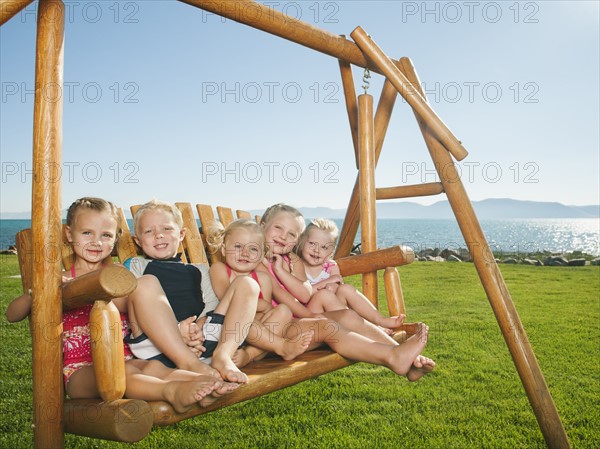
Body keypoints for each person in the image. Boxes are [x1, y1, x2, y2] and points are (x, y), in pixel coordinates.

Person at [5, 197, 238, 412]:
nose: (97, 242)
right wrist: (37, 293)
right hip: (80, 371)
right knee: (119, 374)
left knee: (147, 291)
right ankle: (172, 391)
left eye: (106, 235)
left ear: (115, 238)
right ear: (69, 234)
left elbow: (146, 307)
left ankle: (205, 383)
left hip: (129, 359)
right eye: (87, 233)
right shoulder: (61, 279)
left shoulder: (120, 275)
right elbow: (12, 315)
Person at [257, 203, 436, 381]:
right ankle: (394, 357)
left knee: (348, 316)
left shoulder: (292, 259)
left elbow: (304, 294)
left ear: (297, 240)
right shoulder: (254, 261)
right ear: (262, 226)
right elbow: (282, 300)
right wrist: (310, 313)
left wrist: (281, 270)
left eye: (291, 234)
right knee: (328, 326)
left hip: (299, 322)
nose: (283, 236)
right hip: (274, 334)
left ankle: (408, 360)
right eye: (278, 228)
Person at [124, 200, 260, 384]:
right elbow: (131, 304)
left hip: (202, 342)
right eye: (149, 231)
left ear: (181, 234)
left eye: (166, 229)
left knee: (247, 284)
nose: (158, 235)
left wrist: (198, 329)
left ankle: (223, 356)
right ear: (138, 241)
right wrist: (178, 330)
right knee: (144, 284)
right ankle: (187, 361)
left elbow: (210, 306)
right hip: (155, 346)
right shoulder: (135, 265)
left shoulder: (200, 270)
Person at [206, 219, 314, 367]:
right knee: (246, 319)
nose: (245, 253)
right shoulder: (219, 269)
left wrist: (263, 307)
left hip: (258, 336)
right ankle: (282, 347)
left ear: (261, 254)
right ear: (224, 250)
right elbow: (229, 300)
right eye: (238, 246)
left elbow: (268, 310)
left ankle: (250, 354)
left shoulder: (263, 278)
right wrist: (261, 306)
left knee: (284, 311)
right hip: (229, 331)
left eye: (253, 249)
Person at [297, 218, 404, 332]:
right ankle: (369, 330)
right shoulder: (297, 266)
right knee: (324, 295)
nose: (316, 250)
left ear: (331, 252)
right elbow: (302, 295)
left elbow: (336, 290)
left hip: (335, 315)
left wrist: (332, 287)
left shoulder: (330, 267)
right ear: (302, 242)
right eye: (312, 243)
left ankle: (379, 320)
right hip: (310, 318)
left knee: (345, 289)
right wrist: (326, 283)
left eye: (324, 247)